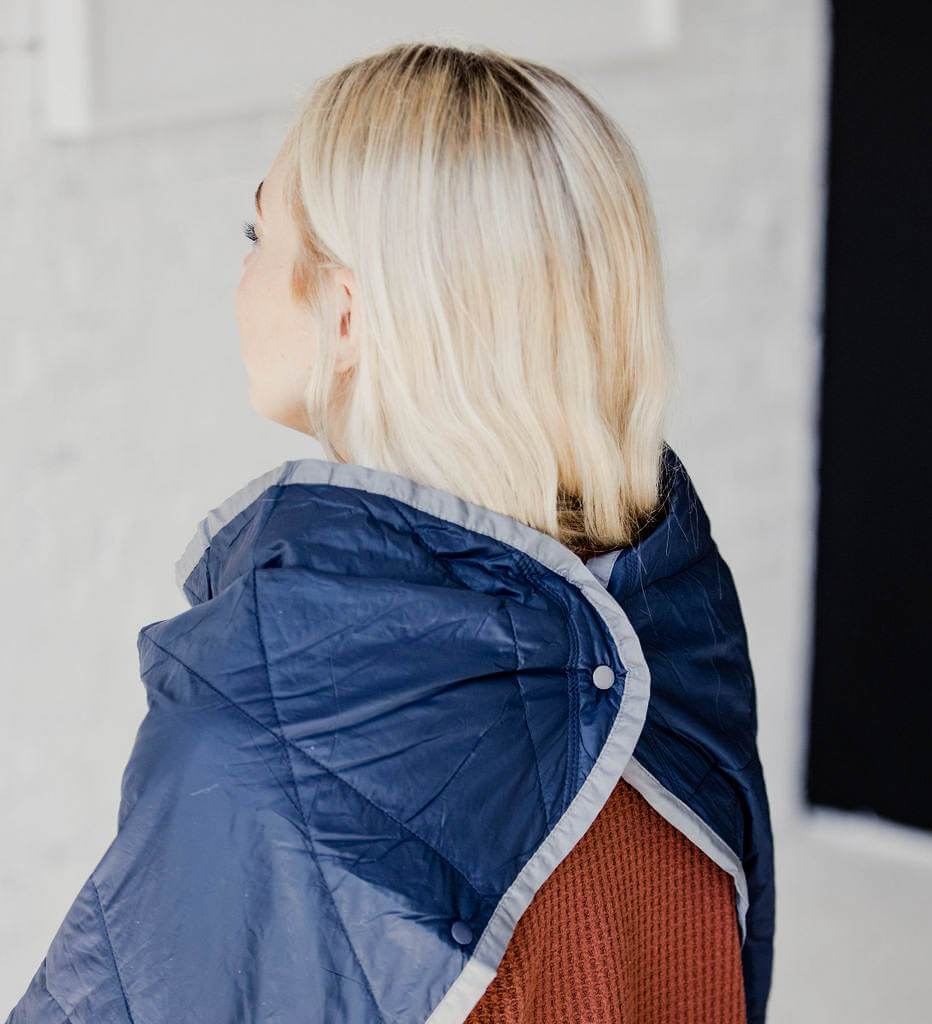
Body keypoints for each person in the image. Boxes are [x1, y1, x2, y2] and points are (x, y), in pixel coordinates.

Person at [6, 42, 774, 1024]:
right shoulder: (666, 613)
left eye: (258, 233)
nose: (242, 271)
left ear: (346, 313)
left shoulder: (260, 730)